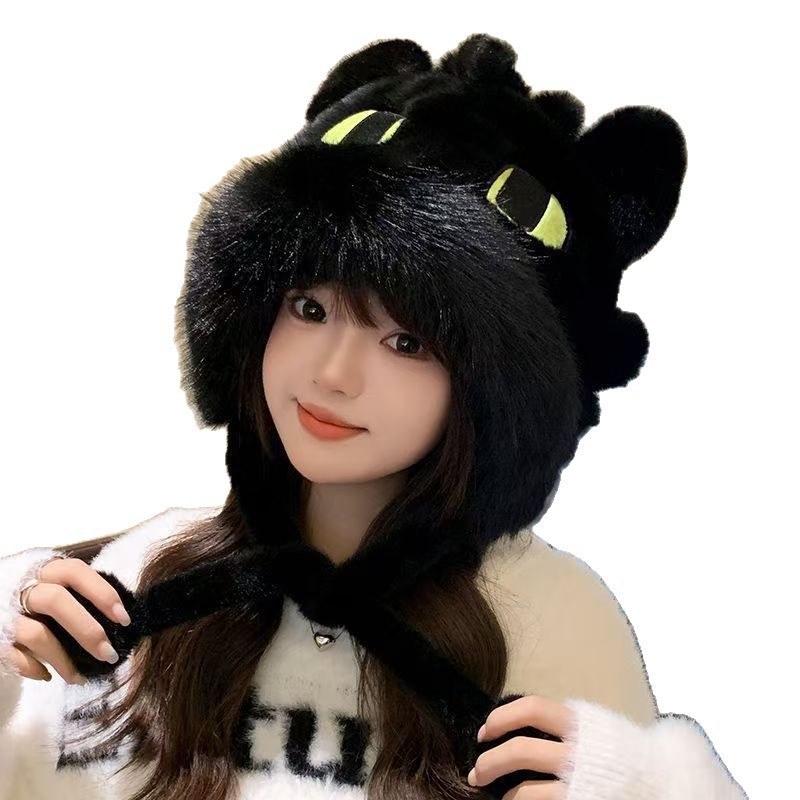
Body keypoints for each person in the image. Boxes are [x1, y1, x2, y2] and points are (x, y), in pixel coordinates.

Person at [0, 33, 749, 800]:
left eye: (406, 341)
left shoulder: (553, 618)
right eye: (310, 308)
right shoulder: (142, 579)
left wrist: (643, 785)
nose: (333, 373)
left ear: (495, 395)